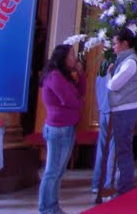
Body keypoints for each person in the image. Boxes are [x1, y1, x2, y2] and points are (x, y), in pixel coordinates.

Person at [37, 44, 85, 214]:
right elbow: (70, 101)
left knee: (58, 171)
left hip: (67, 127)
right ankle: (46, 207)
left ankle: (53, 205)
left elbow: (80, 92)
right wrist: (80, 103)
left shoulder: (65, 76)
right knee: (52, 171)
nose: (75, 58)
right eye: (72, 54)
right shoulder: (54, 76)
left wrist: (81, 75)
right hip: (58, 128)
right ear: (63, 57)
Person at [107, 28, 137, 197]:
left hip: (125, 109)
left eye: (115, 44)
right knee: (122, 149)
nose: (113, 47)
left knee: (123, 149)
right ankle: (124, 186)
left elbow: (114, 85)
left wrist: (109, 75)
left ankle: (125, 188)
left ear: (124, 44)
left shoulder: (130, 62)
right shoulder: (125, 60)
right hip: (123, 108)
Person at [90, 59, 115, 197]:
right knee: (112, 148)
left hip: (103, 111)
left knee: (102, 148)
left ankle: (96, 182)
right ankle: (107, 184)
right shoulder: (113, 75)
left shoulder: (99, 76)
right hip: (113, 112)